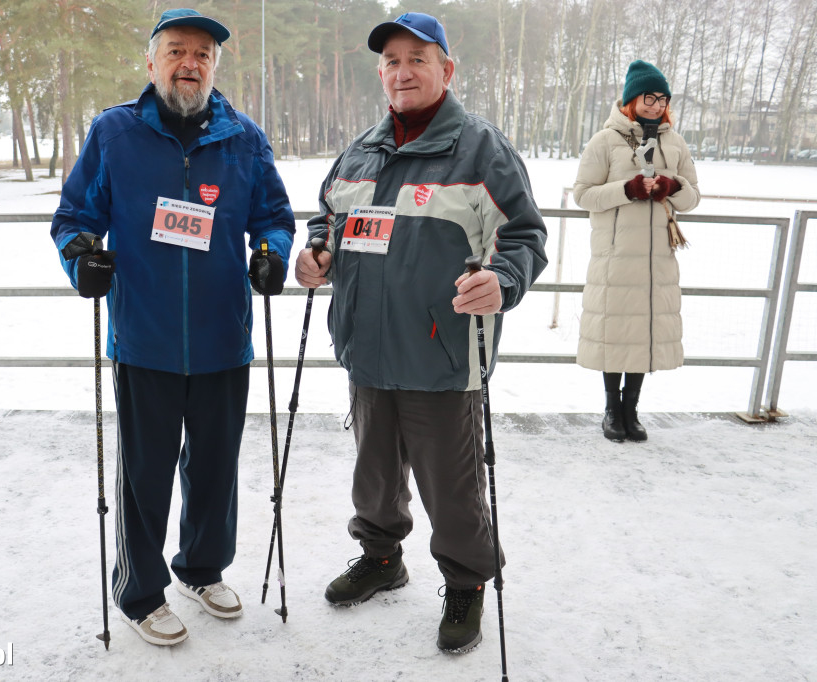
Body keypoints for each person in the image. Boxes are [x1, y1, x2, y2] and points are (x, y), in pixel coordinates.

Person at [294, 12, 547, 653]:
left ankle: (466, 581)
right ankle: (382, 558)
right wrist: (318, 253)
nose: (402, 72)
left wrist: (504, 281)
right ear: (381, 74)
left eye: (417, 59)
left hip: (442, 354)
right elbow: (329, 220)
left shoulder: (482, 148)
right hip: (366, 349)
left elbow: (522, 235)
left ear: (445, 70)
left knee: (451, 485)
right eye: (391, 62)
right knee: (373, 475)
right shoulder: (361, 150)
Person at [49, 8, 295, 647]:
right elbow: (75, 215)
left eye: (204, 55)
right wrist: (83, 257)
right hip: (146, 338)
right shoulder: (115, 132)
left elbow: (273, 214)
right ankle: (139, 591)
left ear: (214, 67)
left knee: (216, 467)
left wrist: (269, 253)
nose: (191, 64)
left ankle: (201, 567)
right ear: (151, 61)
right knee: (145, 474)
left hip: (222, 338)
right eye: (178, 51)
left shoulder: (242, 137)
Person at [573, 59, 700, 443]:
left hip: (658, 258)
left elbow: (693, 197)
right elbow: (583, 195)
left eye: (663, 98)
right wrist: (626, 190)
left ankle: (632, 411)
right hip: (615, 257)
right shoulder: (604, 141)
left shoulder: (675, 142)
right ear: (632, 99)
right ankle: (612, 409)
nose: (656, 104)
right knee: (617, 334)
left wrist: (671, 186)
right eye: (649, 97)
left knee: (643, 333)